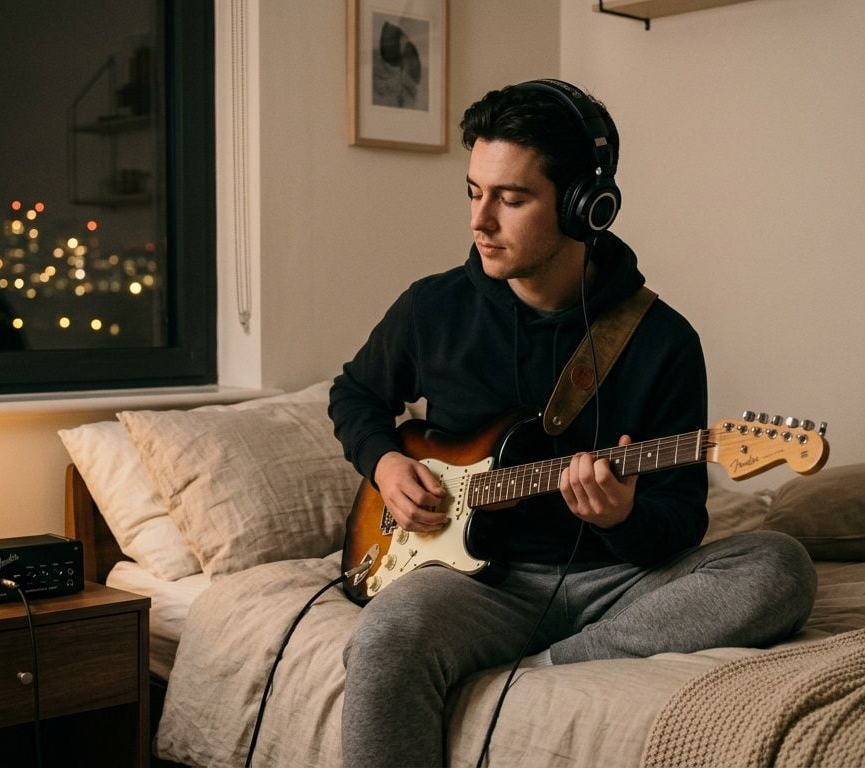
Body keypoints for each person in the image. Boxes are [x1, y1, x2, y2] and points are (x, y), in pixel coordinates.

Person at [328, 78, 816, 767]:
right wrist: (384, 461)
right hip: (474, 584)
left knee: (778, 566)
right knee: (383, 639)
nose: (480, 220)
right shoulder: (432, 309)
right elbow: (354, 395)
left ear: (588, 206)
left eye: (513, 198)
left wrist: (620, 517)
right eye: (474, 192)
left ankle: (557, 664)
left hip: (612, 586)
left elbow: (680, 520)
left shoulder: (662, 340)